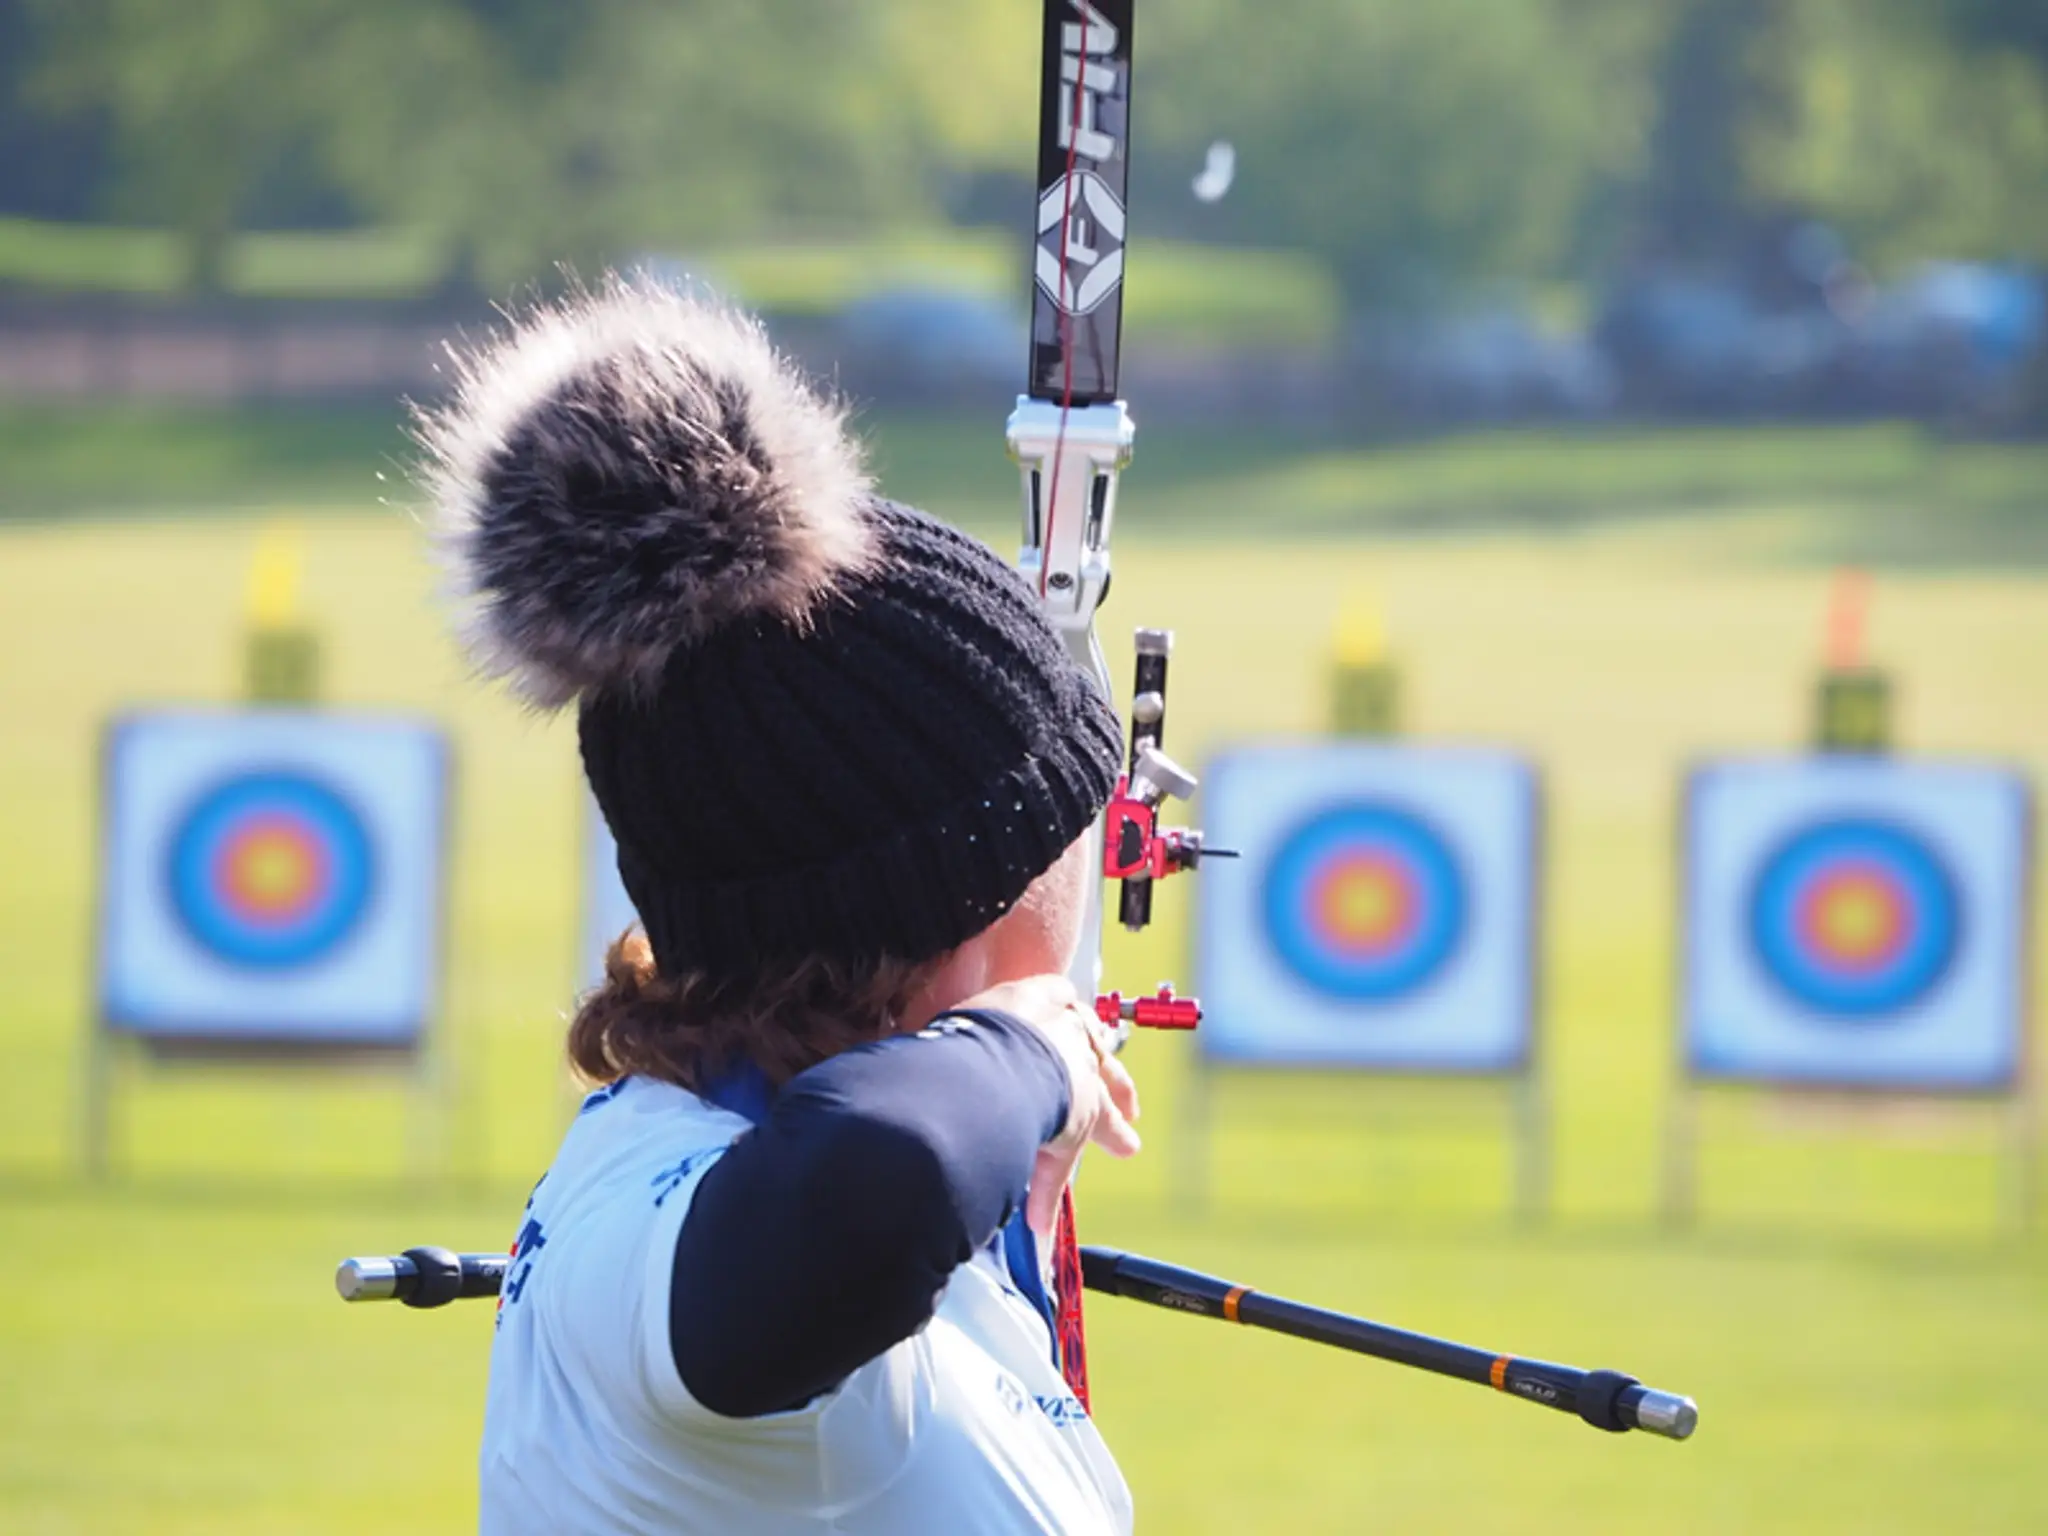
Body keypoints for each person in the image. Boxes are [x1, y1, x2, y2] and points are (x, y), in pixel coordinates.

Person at [423, 279, 1142, 1534]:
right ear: (960, 896)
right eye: (1072, 815)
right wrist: (1025, 1044)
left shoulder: (741, 1177)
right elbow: (883, 1172)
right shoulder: (692, 1228)